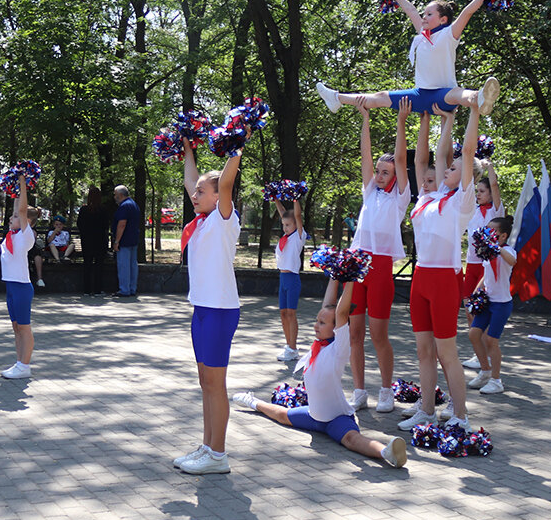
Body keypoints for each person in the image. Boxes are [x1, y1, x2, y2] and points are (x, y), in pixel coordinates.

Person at [232, 279, 407, 467]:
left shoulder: (339, 348)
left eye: (322, 323)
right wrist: (334, 276)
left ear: (337, 328)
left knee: (351, 440)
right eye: (317, 320)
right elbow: (329, 306)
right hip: (314, 416)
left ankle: (386, 451)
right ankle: (253, 402)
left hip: (336, 418)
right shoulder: (319, 345)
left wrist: (350, 280)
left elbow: (340, 312)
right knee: (282, 415)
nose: (316, 325)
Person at [398, 101, 482, 434]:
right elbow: (424, 159)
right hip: (421, 278)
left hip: (446, 280)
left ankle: (460, 414)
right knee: (423, 349)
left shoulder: (462, 201)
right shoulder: (427, 198)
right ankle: (428, 411)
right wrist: (433, 120)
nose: (444, 169)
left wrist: (473, 112)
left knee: (447, 351)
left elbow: (466, 149)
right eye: (445, 168)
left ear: (464, 175)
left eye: (453, 167)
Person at [316, 0, 499, 117]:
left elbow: (467, 12)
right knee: (380, 98)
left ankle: (479, 98)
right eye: (424, 14)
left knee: (458, 93)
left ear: (443, 20)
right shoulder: (422, 34)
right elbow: (410, 9)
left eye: (429, 14)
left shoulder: (449, 34)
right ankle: (336, 98)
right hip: (420, 95)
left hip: (443, 95)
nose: (423, 17)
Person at [171, 143, 242, 476]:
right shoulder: (202, 221)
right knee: (206, 383)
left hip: (219, 311)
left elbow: (226, 182)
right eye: (195, 191)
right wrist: (187, 148)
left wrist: (236, 145)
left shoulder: (224, 219)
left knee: (216, 384)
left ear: (218, 196)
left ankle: (218, 453)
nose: (194, 194)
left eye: (202, 191)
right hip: (201, 309)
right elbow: (190, 180)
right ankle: (207, 446)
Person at [346, 95, 411, 414]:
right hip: (357, 265)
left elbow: (401, 159)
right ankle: (359, 390)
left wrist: (400, 123)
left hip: (381, 267)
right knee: (354, 333)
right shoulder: (370, 192)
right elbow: (365, 156)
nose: (380, 175)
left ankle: (386, 390)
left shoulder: (400, 199)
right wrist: (365, 120)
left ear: (397, 176)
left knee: (378, 334)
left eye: (387, 172)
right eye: (379, 171)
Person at [466, 215, 517, 395]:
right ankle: (485, 371)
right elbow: (486, 276)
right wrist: (475, 292)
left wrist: (496, 247)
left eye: (492, 231)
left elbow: (512, 261)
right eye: (487, 230)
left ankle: (496, 380)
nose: (488, 233)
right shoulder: (487, 253)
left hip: (502, 304)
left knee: (491, 341)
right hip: (488, 301)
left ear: (503, 236)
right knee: (473, 333)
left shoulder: (508, 250)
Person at [461, 160, 503, 367]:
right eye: (477, 190)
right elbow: (465, 189)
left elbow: (495, 186)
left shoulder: (496, 211)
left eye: (482, 191)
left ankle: (487, 356)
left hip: (487, 266)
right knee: (469, 309)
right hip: (471, 264)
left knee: (483, 310)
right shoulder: (472, 211)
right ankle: (478, 354)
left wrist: (490, 167)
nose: (478, 194)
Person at [0, 178, 37, 379]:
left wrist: (23, 182)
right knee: (15, 327)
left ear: (26, 222)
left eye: (14, 217)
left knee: (24, 326)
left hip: (22, 287)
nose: (11, 218)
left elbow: (21, 210)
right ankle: (19, 363)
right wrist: (13, 185)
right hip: (11, 286)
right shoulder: (11, 235)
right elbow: (17, 205)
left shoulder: (26, 236)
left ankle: (25, 364)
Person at [271, 195, 306, 362]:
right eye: (283, 225)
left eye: (288, 225)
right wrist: (276, 199)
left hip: (292, 279)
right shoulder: (285, 238)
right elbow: (284, 213)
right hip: (282, 278)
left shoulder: (299, 236)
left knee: (291, 314)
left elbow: (297, 216)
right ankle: (288, 346)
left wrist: (295, 198)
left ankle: (293, 348)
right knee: (283, 314)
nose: (285, 228)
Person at [77, 187, 110, 295]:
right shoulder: (103, 210)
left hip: (87, 241)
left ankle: (86, 289)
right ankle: (98, 289)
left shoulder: (84, 210)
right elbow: (106, 225)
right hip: (100, 241)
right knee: (99, 265)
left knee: (87, 264)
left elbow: (79, 225)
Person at [112, 185, 141, 297]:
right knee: (133, 265)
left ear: (120, 195)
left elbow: (122, 224)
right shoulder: (134, 204)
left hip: (124, 240)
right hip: (133, 239)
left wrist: (116, 241)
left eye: (115, 194)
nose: (114, 197)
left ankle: (124, 290)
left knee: (124, 265)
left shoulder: (124, 206)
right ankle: (132, 288)